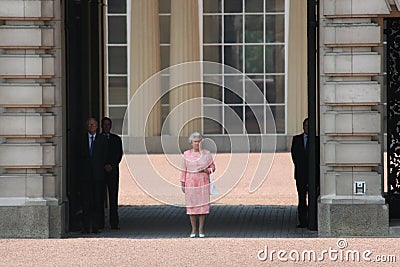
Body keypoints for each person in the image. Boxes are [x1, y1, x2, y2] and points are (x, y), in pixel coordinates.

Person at [180, 132, 215, 238]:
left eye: (199, 141)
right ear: (191, 142)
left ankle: (201, 229)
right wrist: (182, 182)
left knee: (202, 206)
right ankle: (193, 229)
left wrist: (206, 170)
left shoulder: (207, 154)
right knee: (192, 206)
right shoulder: (186, 154)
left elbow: (213, 167)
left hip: (203, 181)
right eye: (195, 141)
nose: (197, 143)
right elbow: (183, 169)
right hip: (191, 182)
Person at [80, 118, 108, 234]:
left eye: (93, 124)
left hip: (98, 176)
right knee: (86, 202)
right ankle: (86, 226)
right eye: (89, 124)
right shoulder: (81, 139)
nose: (91, 126)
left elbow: (105, 155)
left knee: (97, 202)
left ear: (97, 126)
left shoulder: (102, 139)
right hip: (85, 176)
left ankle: (96, 226)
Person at [101, 117, 123, 230]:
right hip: (100, 171)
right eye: (104, 124)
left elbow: (119, 154)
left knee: (113, 198)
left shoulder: (116, 139)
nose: (106, 126)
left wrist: (111, 165)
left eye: (108, 124)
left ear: (111, 126)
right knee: (99, 198)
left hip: (113, 171)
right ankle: (99, 223)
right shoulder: (98, 138)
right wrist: (104, 165)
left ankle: (114, 223)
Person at [291, 118, 309, 228]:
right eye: (306, 125)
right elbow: (294, 155)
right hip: (300, 173)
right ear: (303, 127)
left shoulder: (317, 140)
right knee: (301, 198)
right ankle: (302, 221)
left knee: (313, 198)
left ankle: (313, 220)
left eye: (309, 125)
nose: (307, 127)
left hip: (313, 175)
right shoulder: (296, 139)